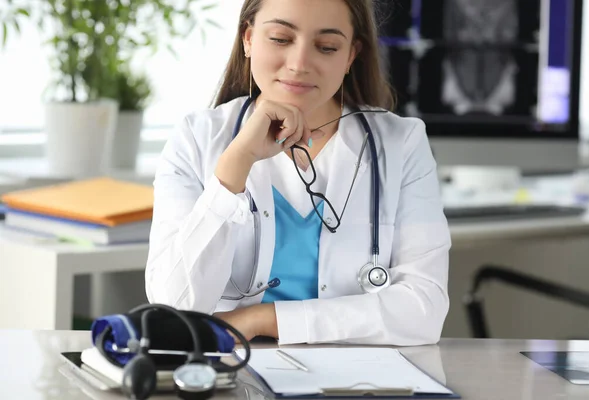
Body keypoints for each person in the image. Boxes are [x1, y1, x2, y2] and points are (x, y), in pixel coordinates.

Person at [145, 0, 451, 346]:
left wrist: (259, 319)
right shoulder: (196, 139)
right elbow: (175, 307)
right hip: (229, 370)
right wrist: (234, 168)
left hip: (354, 378)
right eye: (280, 38)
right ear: (248, 39)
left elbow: (423, 310)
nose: (299, 64)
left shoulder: (402, 143)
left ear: (351, 55)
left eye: (327, 47)